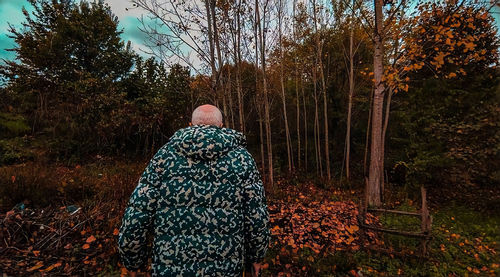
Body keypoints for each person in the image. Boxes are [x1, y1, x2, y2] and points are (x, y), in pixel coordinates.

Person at [118, 104, 270, 276]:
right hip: (225, 270)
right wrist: (256, 257)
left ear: (190, 125)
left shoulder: (163, 157)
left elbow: (136, 215)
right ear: (221, 126)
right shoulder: (242, 159)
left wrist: (133, 262)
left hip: (170, 269)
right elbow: (257, 216)